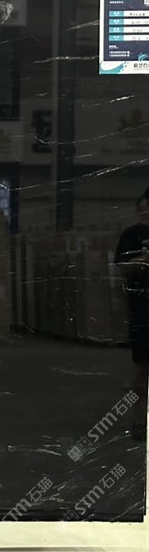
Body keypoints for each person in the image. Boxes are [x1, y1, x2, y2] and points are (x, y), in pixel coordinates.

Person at [115, 187, 149, 438]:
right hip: (143, 310)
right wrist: (144, 258)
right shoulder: (131, 235)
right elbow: (122, 267)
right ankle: (139, 422)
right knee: (142, 365)